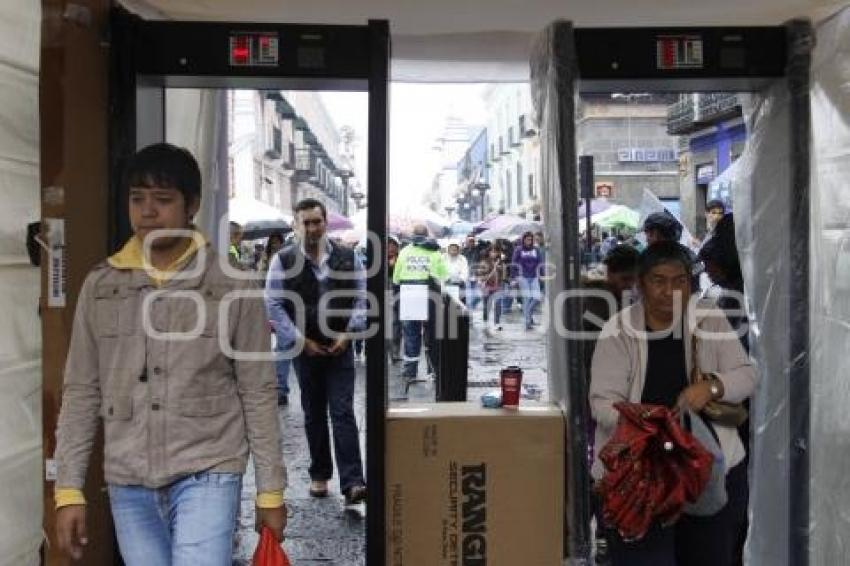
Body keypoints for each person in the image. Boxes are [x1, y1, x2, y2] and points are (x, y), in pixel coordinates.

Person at [53, 143, 287, 565]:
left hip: (209, 468)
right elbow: (81, 389)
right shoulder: (102, 284)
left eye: (162, 200)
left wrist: (271, 489)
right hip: (128, 477)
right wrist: (68, 489)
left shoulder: (232, 286)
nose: (147, 212)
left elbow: (258, 391)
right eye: (137, 199)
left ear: (192, 205)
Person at [589, 241, 756, 566]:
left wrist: (712, 387)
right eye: (659, 280)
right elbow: (603, 404)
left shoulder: (708, 318)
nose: (670, 291)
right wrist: (653, 422)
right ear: (641, 284)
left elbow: (747, 376)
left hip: (708, 468)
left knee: (710, 556)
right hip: (639, 471)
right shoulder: (618, 330)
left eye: (679, 280)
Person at [265, 198, 367, 506]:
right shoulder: (282, 260)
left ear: (326, 223)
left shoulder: (349, 257)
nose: (311, 228)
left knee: (342, 411)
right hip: (304, 347)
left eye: (316, 221)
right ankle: (320, 475)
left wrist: (348, 334)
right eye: (305, 222)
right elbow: (273, 303)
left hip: (340, 345)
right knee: (313, 413)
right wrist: (299, 340)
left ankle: (352, 482)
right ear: (296, 225)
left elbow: (362, 297)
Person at [392, 224, 448, 379]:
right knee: (431, 332)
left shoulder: (404, 251)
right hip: (429, 294)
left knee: (411, 332)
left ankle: (411, 371)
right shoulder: (435, 252)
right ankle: (432, 370)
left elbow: (396, 278)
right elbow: (443, 275)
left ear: (412, 235)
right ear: (427, 235)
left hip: (409, 293)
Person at [511, 231, 544, 330]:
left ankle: (527, 315)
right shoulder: (518, 250)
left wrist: (542, 274)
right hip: (523, 277)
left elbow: (540, 262)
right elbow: (514, 264)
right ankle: (527, 322)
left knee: (537, 297)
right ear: (523, 240)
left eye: (530, 239)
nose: (529, 241)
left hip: (534, 276)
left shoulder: (536, 249)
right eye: (527, 239)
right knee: (527, 298)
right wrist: (514, 277)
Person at [477, 244, 507, 331]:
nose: (494, 253)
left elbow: (504, 276)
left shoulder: (501, 262)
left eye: (496, 251)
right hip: (487, 286)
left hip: (498, 286)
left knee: (498, 304)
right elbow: (480, 275)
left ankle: (497, 323)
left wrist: (501, 268)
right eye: (492, 251)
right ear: (489, 252)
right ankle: (485, 321)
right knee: (486, 305)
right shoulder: (484, 262)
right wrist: (487, 274)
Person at [387, 235, 402, 363]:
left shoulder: (402, 259)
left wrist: (394, 266)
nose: (391, 248)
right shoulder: (378, 259)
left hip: (397, 295)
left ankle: (395, 351)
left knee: (396, 323)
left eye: (393, 245)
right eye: (388, 245)